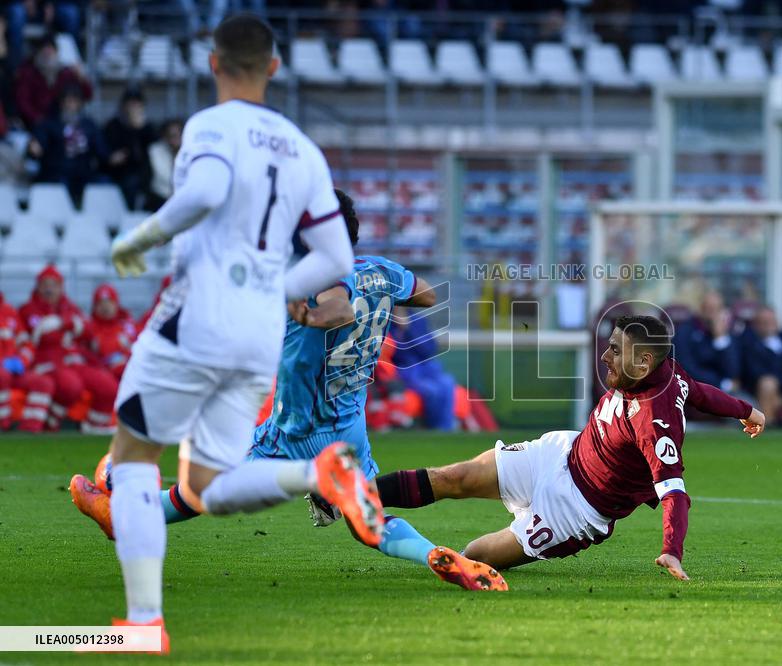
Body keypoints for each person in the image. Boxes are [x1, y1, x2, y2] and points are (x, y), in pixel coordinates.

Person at [67, 15, 369, 652]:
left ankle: (145, 622)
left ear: (213, 63)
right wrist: (271, 290)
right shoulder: (302, 150)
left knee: (133, 459)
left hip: (196, 315)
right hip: (256, 332)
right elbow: (336, 260)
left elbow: (205, 189)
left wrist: (138, 237)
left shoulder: (209, 127)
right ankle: (317, 476)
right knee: (203, 487)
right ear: (275, 68)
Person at [72, 190, 508, 593]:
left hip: (298, 426)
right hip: (349, 423)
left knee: (201, 488)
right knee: (367, 519)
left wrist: (309, 315)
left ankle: (122, 518)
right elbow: (428, 296)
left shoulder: (319, 283)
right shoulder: (382, 272)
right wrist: (379, 304)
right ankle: (432, 552)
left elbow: (335, 308)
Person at [374, 315, 766, 579]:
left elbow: (675, 492)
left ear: (644, 363)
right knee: (455, 477)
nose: (606, 356)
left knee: (476, 556)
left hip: (576, 511)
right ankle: (354, 495)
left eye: (616, 351)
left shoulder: (654, 423)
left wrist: (672, 549)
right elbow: (699, 392)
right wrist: (747, 411)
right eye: (610, 345)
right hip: (562, 453)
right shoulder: (665, 370)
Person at [17, 265, 117, 433]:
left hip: (74, 362)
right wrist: (68, 327)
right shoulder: (28, 309)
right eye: (45, 285)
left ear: (61, 287)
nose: (49, 289)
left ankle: (94, 426)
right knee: (71, 386)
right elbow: (44, 338)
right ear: (38, 286)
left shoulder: (69, 307)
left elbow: (88, 330)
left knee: (108, 386)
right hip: (47, 363)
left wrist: (63, 324)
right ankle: (52, 422)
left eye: (54, 285)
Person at [29, 84, 106, 203]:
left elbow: (102, 150)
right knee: (60, 184)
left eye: (74, 101)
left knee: (103, 182)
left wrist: (112, 157)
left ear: (80, 104)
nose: (70, 105)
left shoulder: (89, 125)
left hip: (83, 173)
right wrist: (33, 149)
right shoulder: (49, 124)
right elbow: (37, 146)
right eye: (67, 101)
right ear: (60, 103)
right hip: (56, 172)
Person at [389, 307, 456, 430]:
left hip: (427, 366)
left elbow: (429, 350)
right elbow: (396, 355)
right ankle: (435, 428)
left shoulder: (418, 319)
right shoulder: (384, 323)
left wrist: (408, 329)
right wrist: (400, 328)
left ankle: (447, 429)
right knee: (431, 390)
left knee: (447, 383)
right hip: (405, 369)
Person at [0, 290, 55, 432]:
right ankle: (3, 425)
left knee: (44, 383)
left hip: (12, 369)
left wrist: (21, 361)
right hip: (2, 372)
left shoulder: (9, 311)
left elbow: (26, 344)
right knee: (2, 376)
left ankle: (30, 428)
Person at [14, 34, 91, 129]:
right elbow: (22, 101)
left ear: (56, 52)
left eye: (50, 49)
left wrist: (82, 78)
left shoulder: (66, 74)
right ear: (38, 53)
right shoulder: (28, 74)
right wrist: (37, 118)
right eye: (44, 49)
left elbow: (87, 95)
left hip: (62, 124)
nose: (47, 53)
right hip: (36, 124)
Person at [673, 291, 741, 394]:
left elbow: (732, 371)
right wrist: (721, 383)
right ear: (700, 309)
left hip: (725, 391)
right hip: (693, 390)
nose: (712, 313)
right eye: (708, 308)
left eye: (717, 309)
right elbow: (686, 369)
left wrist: (720, 339)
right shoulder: (684, 331)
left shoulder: (726, 332)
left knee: (748, 405)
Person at [104, 87, 158, 209]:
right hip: (120, 171)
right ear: (123, 105)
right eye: (130, 103)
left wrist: (140, 128)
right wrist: (133, 129)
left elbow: (155, 148)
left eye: (137, 103)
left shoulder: (148, 127)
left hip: (145, 171)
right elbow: (111, 153)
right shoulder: (114, 125)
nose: (133, 107)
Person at [83, 284, 137, 380]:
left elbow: (136, 350)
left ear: (116, 304)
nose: (105, 307)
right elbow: (84, 353)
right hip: (99, 374)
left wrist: (124, 356)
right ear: (94, 306)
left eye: (109, 303)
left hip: (124, 373)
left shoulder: (127, 326)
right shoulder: (88, 327)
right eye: (101, 304)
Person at [146, 119, 183, 211]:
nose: (176, 139)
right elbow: (163, 177)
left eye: (179, 135)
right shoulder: (155, 151)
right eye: (172, 135)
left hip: (184, 198)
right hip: (160, 198)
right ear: (164, 137)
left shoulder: (191, 151)